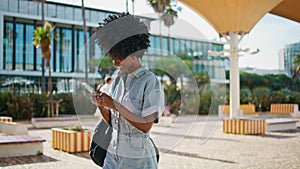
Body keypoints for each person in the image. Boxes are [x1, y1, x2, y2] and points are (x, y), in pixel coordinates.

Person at [91, 13, 164, 169]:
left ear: (134, 54)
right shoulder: (117, 79)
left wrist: (116, 105)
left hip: (137, 159)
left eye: (119, 57)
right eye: (113, 56)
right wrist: (102, 105)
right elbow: (113, 122)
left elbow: (146, 126)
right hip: (112, 154)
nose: (115, 63)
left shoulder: (150, 82)